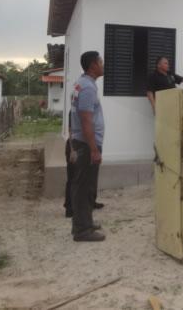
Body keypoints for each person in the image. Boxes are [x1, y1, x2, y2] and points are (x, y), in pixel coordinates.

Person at [69, 51, 106, 242]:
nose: (103, 64)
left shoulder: (82, 83)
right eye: (100, 61)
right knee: (84, 188)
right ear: (93, 65)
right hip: (86, 145)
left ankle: (85, 223)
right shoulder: (87, 88)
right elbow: (86, 120)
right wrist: (93, 149)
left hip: (82, 143)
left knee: (87, 187)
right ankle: (82, 230)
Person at [63, 111, 104, 218]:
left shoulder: (91, 110)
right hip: (76, 147)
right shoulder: (75, 110)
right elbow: (71, 131)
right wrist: (72, 150)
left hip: (88, 145)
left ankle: (90, 202)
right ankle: (69, 208)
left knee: (91, 177)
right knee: (73, 178)